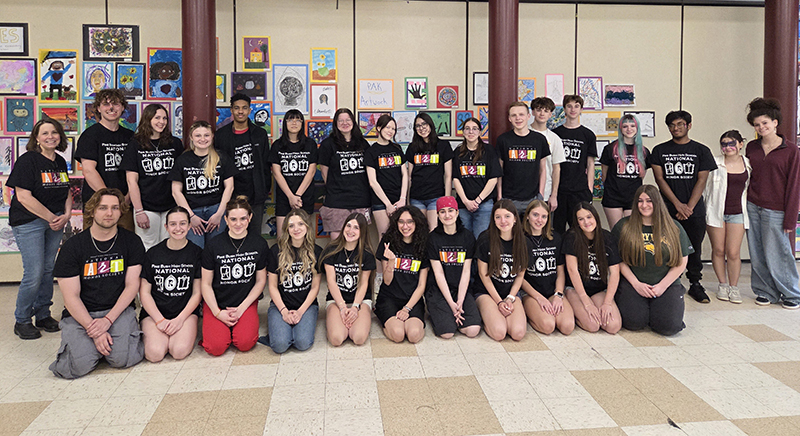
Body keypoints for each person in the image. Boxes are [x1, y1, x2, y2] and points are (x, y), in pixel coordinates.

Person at [50, 188, 145, 378]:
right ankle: (92, 348)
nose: (109, 213)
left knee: (123, 360)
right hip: (81, 315)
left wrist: (108, 320)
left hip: (117, 311)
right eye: (103, 208)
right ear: (92, 210)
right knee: (77, 367)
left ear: (121, 211)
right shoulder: (72, 247)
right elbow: (70, 297)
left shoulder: (132, 242)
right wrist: (94, 330)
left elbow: (132, 286)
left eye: (114, 208)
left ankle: (102, 348)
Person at [9, 119, 72, 339]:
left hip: (54, 221)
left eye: (54, 132)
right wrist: (51, 217)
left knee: (47, 270)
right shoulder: (28, 161)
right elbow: (23, 196)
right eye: (44, 133)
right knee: (34, 273)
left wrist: (66, 214)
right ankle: (22, 319)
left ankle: (43, 314)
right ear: (36, 138)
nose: (50, 136)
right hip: (29, 222)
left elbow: (67, 191)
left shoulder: (60, 162)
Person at [648, 111, 717, 303]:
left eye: (680, 124)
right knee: (668, 247)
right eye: (672, 125)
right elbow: (660, 179)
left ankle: (695, 283)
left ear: (689, 125)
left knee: (694, 248)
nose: (675, 128)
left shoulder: (701, 150)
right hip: (668, 209)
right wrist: (678, 205)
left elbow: (702, 180)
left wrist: (689, 207)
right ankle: (671, 283)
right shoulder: (659, 150)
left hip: (694, 210)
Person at [744, 98, 800, 309]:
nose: (761, 128)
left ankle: (792, 294)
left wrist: (791, 218)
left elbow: (794, 186)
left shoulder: (791, 150)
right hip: (752, 205)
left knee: (779, 253)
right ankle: (765, 291)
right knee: (756, 251)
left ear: (775, 122)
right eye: (757, 125)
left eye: (765, 123)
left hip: (776, 209)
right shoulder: (752, 147)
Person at [613, 185, 691, 335]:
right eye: (640, 201)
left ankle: (658, 309)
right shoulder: (623, 226)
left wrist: (662, 286)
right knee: (633, 323)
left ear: (657, 202)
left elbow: (682, 261)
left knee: (669, 327)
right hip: (634, 282)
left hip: (666, 283)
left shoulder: (674, 227)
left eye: (649, 201)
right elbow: (618, 260)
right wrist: (636, 284)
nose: (644, 205)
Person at [200, 196, 270, 356]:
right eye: (233, 219)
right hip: (217, 303)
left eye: (243, 218)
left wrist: (242, 308)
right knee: (215, 348)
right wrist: (217, 313)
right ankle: (219, 330)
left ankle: (234, 329)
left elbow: (260, 281)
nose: (238, 223)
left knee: (245, 343)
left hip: (244, 303)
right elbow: (205, 284)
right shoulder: (213, 245)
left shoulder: (259, 244)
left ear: (250, 218)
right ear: (226, 219)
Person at [139, 206, 202, 361]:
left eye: (182, 223)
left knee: (178, 351)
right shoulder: (152, 254)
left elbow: (197, 293)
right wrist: (159, 320)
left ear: (189, 226)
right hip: (155, 312)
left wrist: (180, 319)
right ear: (166, 227)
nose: (178, 228)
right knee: (155, 354)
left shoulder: (197, 253)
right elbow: (145, 292)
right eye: (173, 224)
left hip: (184, 313)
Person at [260, 209, 323, 353]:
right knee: (280, 346)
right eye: (291, 225)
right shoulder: (275, 251)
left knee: (302, 343)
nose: (296, 229)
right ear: (286, 229)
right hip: (280, 305)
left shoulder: (316, 251)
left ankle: (292, 329)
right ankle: (278, 331)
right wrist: (283, 311)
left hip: (306, 306)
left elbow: (315, 288)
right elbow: (272, 287)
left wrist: (300, 312)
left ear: (307, 226)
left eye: (300, 224)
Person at [123, 103, 183, 250]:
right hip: (147, 207)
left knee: (170, 246)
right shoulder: (135, 144)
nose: (161, 122)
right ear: (148, 119)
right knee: (147, 247)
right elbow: (132, 181)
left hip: (171, 205)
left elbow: (182, 176)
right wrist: (139, 211)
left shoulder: (174, 143)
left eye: (164, 118)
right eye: (157, 118)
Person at [169, 121, 237, 249]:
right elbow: (175, 191)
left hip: (216, 210)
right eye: (198, 136)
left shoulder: (221, 157)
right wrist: (190, 216)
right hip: (192, 210)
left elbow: (230, 187)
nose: (202, 139)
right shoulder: (183, 160)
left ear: (212, 137)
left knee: (216, 249)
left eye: (206, 135)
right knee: (195, 249)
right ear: (191, 138)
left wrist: (219, 214)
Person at [75, 89, 135, 231]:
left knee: (125, 246)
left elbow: (135, 172)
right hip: (97, 202)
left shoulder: (131, 136)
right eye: (106, 104)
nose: (111, 108)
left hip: (125, 203)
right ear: (98, 108)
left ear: (122, 108)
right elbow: (89, 171)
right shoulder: (90, 135)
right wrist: (110, 201)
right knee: (94, 248)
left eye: (116, 104)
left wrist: (126, 199)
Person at [703, 130, 751, 304]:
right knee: (719, 250)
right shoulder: (714, 164)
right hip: (716, 212)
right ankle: (722, 284)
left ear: (740, 144)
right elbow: (704, 188)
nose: (728, 147)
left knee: (733, 252)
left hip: (738, 212)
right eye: (724, 144)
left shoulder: (748, 164)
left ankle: (734, 287)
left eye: (732, 143)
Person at [474, 199, 530, 341]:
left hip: (510, 293)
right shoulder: (485, 239)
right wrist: (499, 302)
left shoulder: (523, 241)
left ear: (515, 219)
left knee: (517, 334)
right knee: (499, 333)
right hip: (486, 292)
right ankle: (487, 318)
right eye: (498, 217)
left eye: (507, 216)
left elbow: (520, 275)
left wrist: (510, 298)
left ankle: (499, 315)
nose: (503, 221)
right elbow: (483, 274)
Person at [215, 93, 270, 235]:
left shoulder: (260, 134)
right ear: (231, 110)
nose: (241, 111)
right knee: (231, 233)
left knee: (254, 234)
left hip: (256, 192)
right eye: (237, 108)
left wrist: (265, 189)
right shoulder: (221, 135)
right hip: (230, 193)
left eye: (244, 108)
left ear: (249, 110)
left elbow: (265, 164)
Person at [426, 196, 481, 338]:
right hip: (439, 290)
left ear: (457, 213)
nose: (447, 215)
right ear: (437, 215)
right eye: (442, 212)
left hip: (460, 289)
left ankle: (454, 316)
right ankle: (445, 314)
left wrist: (460, 301)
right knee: (447, 333)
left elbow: (466, 271)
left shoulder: (468, 237)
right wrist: (451, 304)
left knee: (473, 330)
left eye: (451, 211)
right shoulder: (433, 238)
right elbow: (438, 274)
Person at [563, 202, 622, 334]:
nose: (586, 222)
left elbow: (614, 273)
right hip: (575, 290)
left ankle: (587, 309)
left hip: (598, 289)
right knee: (593, 325)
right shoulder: (571, 237)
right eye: (581, 219)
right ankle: (575, 313)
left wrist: (607, 302)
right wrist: (586, 302)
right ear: (577, 222)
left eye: (589, 217)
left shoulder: (607, 237)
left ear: (595, 217)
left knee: (613, 326)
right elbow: (572, 270)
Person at [318, 212, 375, 346]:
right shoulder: (331, 250)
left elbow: (363, 283)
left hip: (360, 300)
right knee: (336, 339)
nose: (350, 231)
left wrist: (355, 307)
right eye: (348, 226)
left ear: (362, 232)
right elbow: (331, 282)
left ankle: (353, 317)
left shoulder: (367, 254)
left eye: (356, 228)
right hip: (336, 300)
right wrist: (343, 307)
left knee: (359, 338)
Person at [375, 206, 430, 343]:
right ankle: (383, 315)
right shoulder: (388, 242)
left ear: (417, 223)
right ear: (396, 223)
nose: (405, 226)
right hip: (389, 297)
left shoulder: (424, 245)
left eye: (410, 222)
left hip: (412, 299)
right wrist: (391, 261)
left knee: (414, 335)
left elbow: (422, 285)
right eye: (401, 222)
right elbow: (387, 281)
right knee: (398, 335)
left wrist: (407, 308)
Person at [520, 200, 574, 335]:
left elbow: (560, 271)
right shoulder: (520, 239)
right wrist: (538, 297)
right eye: (535, 215)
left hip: (552, 291)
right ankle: (529, 314)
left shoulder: (555, 238)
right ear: (527, 216)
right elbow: (519, 277)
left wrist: (558, 294)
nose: (539, 220)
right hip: (531, 293)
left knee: (567, 327)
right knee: (548, 326)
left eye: (544, 216)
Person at [318, 109, 372, 240]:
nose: (344, 123)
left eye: (348, 120)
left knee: (359, 238)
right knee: (337, 239)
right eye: (340, 120)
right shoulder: (327, 144)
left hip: (360, 198)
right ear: (335, 123)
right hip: (336, 199)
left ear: (353, 122)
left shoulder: (362, 143)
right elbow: (324, 172)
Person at [496, 102, 551, 215]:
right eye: (514, 115)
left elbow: (543, 169)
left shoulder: (539, 139)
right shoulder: (503, 140)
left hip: (532, 198)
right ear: (509, 118)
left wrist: (540, 195)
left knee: (532, 232)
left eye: (521, 114)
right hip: (509, 198)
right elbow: (499, 171)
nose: (518, 118)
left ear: (528, 116)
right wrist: (500, 196)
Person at [269, 109, 318, 237]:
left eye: (298, 120)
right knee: (282, 238)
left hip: (304, 198)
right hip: (284, 197)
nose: (294, 123)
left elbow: (311, 171)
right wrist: (291, 196)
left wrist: (297, 195)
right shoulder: (277, 146)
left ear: (302, 123)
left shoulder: (310, 144)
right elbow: (276, 173)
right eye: (290, 119)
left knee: (304, 237)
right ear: (284, 123)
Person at [553, 95, 597, 233]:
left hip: (579, 191)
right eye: (569, 106)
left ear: (581, 109)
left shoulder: (588, 135)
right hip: (559, 191)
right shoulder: (555, 134)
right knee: (557, 230)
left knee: (580, 230)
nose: (573, 109)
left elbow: (590, 164)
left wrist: (589, 189)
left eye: (576, 106)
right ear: (564, 109)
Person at [452, 117, 501, 239]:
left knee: (481, 239)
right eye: (467, 129)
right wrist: (466, 201)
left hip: (484, 204)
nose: (471, 132)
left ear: (480, 132)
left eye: (475, 129)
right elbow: (456, 179)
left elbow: (493, 178)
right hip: (463, 205)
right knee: (464, 239)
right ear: (463, 132)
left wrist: (478, 200)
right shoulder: (458, 152)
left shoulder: (489, 150)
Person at [600, 114, 651, 229]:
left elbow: (641, 176)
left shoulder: (644, 152)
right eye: (625, 126)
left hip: (633, 198)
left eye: (632, 126)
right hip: (613, 197)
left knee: (632, 233)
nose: (629, 129)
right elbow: (604, 176)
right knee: (617, 231)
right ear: (620, 129)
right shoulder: (610, 149)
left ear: (637, 128)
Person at [406, 113, 454, 229]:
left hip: (436, 196)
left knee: (433, 231)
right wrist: (407, 200)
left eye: (424, 124)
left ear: (430, 125)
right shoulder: (412, 147)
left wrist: (446, 199)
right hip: (417, 197)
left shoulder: (443, 145)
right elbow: (409, 176)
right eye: (418, 126)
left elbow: (448, 175)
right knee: (419, 232)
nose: (422, 128)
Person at [365, 114, 409, 238]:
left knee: (401, 236)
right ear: (379, 128)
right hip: (380, 202)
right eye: (388, 127)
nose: (391, 131)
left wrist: (402, 198)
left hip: (399, 199)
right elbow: (372, 181)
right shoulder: (371, 151)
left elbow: (405, 174)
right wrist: (388, 205)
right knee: (385, 237)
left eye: (393, 129)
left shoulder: (397, 148)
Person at [529, 97, 567, 205]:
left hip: (545, 192)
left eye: (546, 111)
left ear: (550, 114)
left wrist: (554, 195)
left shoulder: (555, 139)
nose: (542, 113)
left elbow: (556, 169)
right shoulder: (524, 132)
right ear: (532, 112)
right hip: (523, 192)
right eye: (539, 110)